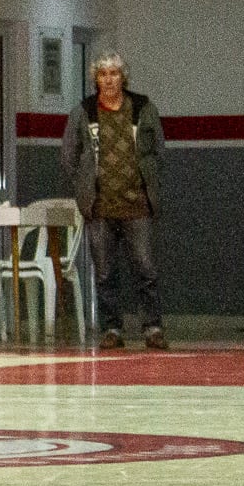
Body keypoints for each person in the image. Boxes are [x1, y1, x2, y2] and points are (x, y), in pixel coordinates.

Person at [59, 51, 166, 351]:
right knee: (105, 271)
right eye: (103, 74)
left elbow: (159, 149)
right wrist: (84, 188)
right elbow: (68, 155)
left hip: (137, 204)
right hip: (100, 206)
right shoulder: (84, 111)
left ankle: (153, 327)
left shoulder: (143, 108)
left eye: (114, 73)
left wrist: (149, 184)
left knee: (145, 267)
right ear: (96, 79)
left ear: (123, 77)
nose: (108, 79)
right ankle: (111, 329)